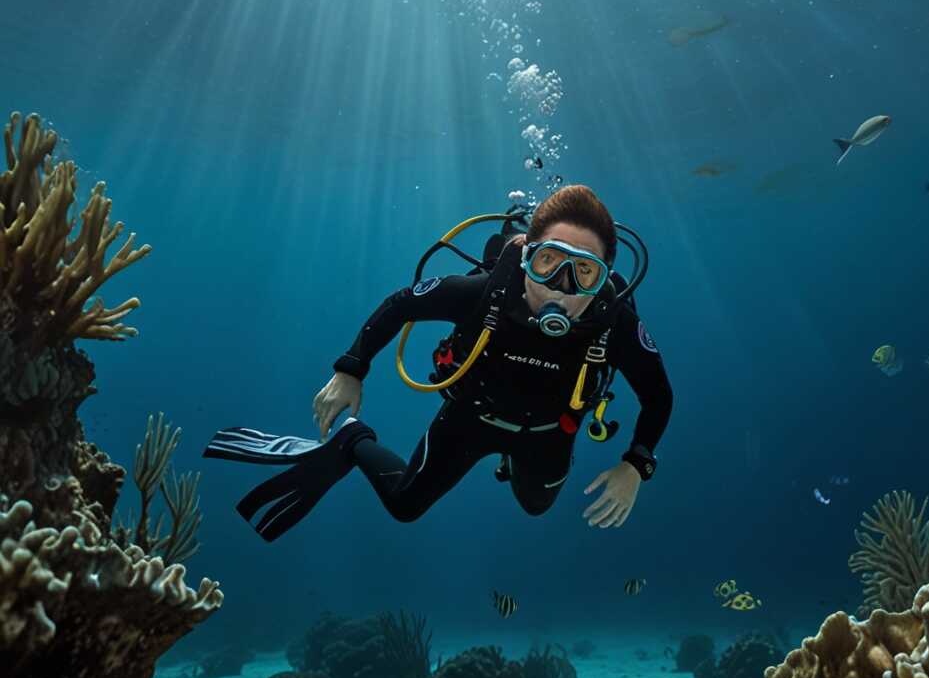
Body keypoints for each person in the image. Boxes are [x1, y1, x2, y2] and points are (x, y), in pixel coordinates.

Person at [204, 185, 673, 541]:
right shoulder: (482, 295)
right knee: (405, 506)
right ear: (526, 257)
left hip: (550, 431)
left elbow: (658, 396)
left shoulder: (616, 325)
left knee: (536, 507)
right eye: (548, 261)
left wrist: (635, 465)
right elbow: (401, 303)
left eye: (583, 271)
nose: (561, 285)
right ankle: (353, 440)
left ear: (604, 278)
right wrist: (351, 368)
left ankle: (512, 461)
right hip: (470, 416)